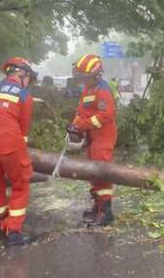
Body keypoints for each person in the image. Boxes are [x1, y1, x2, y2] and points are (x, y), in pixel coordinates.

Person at [0, 57, 37, 246]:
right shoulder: (23, 94)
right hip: (10, 145)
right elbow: (23, 130)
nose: (28, 83)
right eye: (28, 78)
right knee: (21, 184)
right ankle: (13, 231)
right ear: (21, 74)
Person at [67, 54, 118, 227]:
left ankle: (105, 211)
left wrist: (84, 126)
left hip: (103, 137)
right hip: (92, 137)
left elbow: (105, 115)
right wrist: (75, 126)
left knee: (101, 173)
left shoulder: (102, 90)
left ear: (96, 75)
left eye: (85, 77)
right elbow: (80, 111)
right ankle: (97, 206)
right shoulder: (88, 90)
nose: (82, 80)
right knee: (92, 172)